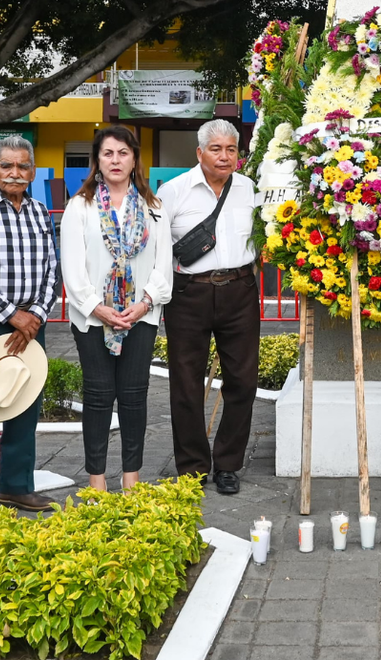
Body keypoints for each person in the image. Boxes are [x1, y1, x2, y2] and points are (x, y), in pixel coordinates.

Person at [61, 126, 173, 492]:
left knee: (133, 395)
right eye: (108, 153)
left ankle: (131, 480)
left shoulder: (154, 209)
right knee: (96, 396)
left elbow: (163, 266)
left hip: (140, 316)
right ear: (97, 159)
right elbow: (73, 268)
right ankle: (96, 482)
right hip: (93, 318)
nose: (115, 160)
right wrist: (98, 308)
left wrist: (142, 304)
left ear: (134, 159)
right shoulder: (81, 206)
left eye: (123, 153)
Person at [158, 119, 257, 495]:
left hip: (239, 291)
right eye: (216, 149)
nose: (224, 156)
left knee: (243, 382)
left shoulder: (249, 190)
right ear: (199, 153)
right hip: (189, 294)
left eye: (231, 149)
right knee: (185, 385)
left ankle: (228, 465)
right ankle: (193, 467)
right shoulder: (173, 192)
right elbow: (158, 248)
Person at [0, 135, 59, 511]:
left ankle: (17, 485)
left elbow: (52, 268)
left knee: (25, 402)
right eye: (7, 166)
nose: (15, 174)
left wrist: (35, 315)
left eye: (22, 167)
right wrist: (11, 315)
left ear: (32, 172)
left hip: (33, 323)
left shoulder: (39, 211)